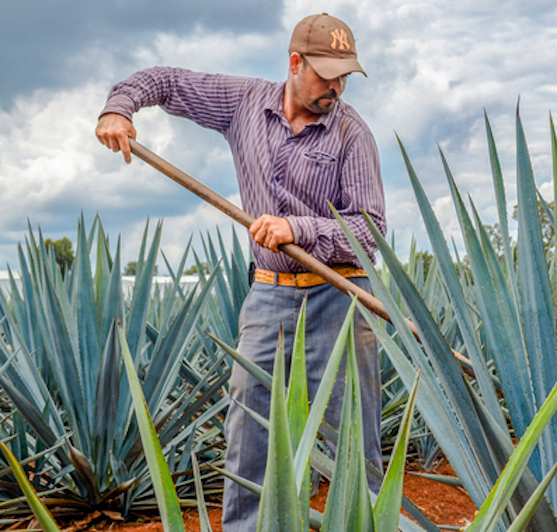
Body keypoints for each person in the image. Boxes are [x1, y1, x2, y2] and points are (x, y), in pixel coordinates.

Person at [95, 13, 385, 531]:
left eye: (345, 76)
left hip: (339, 299)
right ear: (295, 63)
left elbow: (371, 232)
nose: (336, 87)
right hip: (269, 296)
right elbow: (165, 81)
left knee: (352, 440)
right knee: (250, 430)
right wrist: (119, 109)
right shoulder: (244, 103)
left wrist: (299, 229)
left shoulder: (351, 134)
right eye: (326, 74)